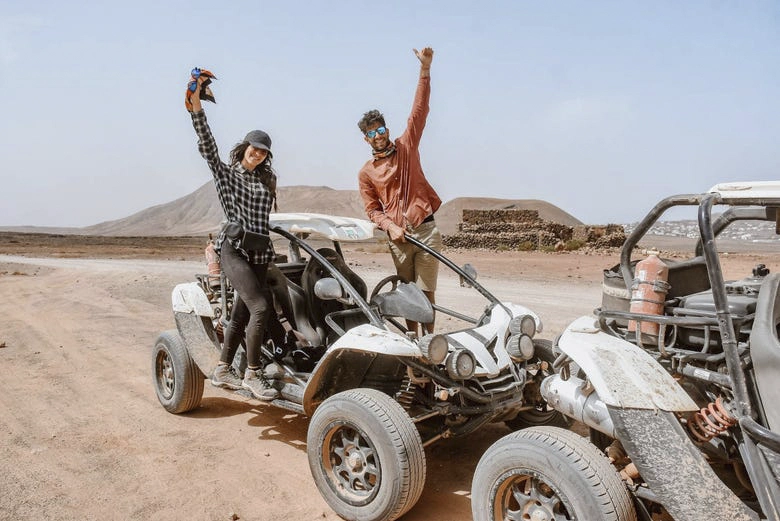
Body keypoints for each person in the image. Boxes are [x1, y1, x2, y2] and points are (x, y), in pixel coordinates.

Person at [186, 71, 279, 401]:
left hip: (260, 254)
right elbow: (207, 145)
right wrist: (197, 107)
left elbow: (267, 221)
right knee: (260, 308)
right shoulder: (228, 176)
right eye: (254, 148)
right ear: (244, 148)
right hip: (235, 250)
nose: (258, 154)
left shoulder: (264, 184)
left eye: (264, 151)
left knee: (241, 315)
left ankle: (224, 368)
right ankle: (253, 374)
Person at [357, 47, 442, 336]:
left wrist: (425, 71)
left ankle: (430, 343)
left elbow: (419, 111)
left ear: (386, 129)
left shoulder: (406, 147)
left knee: (427, 292)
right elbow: (372, 210)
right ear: (365, 138)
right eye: (370, 133)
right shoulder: (367, 172)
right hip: (399, 239)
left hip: (425, 230)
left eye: (380, 130)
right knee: (407, 293)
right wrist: (390, 226)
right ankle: (411, 341)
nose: (377, 136)